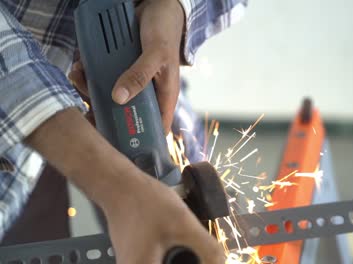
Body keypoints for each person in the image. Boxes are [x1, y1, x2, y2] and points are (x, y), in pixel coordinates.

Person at [0, 0, 247, 262]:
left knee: (212, 236)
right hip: (15, 129)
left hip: (133, 63)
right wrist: (119, 189)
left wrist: (174, 6)